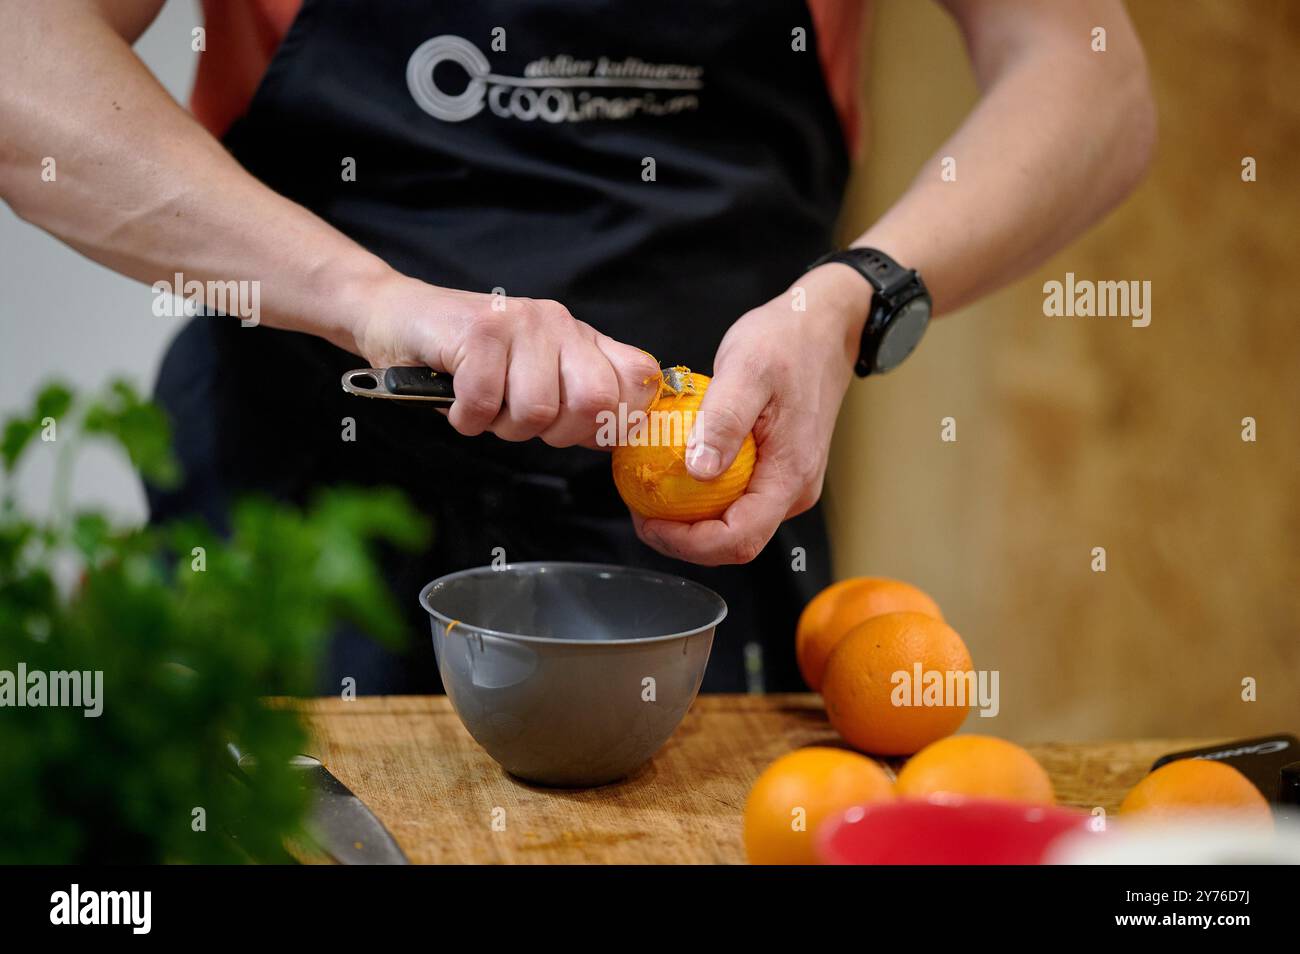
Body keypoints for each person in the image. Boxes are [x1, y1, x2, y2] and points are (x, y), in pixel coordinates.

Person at [0, 0, 1155, 693]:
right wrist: (365, 297)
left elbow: (1092, 73)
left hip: (699, 546)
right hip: (290, 508)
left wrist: (854, 296)